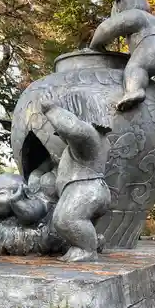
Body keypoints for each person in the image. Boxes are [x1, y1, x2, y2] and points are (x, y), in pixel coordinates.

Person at [89, 0, 155, 112]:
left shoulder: (134, 14)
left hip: (150, 47)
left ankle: (135, 91)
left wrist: (94, 45)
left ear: (121, 3)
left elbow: (107, 28)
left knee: (137, 68)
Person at [41, 100, 111, 262]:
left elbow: (73, 129)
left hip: (85, 188)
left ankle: (87, 250)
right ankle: (86, 245)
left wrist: (51, 109)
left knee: (66, 219)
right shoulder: (93, 141)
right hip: (87, 187)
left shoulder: (90, 135)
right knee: (74, 222)